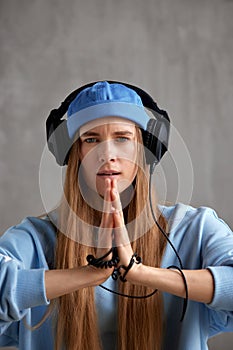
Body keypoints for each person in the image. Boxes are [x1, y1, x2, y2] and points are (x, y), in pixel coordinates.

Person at [0, 81, 233, 350]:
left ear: (144, 150)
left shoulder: (194, 229)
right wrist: (87, 274)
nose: (107, 155)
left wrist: (141, 273)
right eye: (91, 139)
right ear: (75, 153)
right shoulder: (35, 239)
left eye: (122, 138)